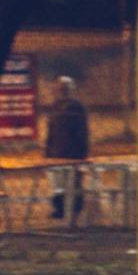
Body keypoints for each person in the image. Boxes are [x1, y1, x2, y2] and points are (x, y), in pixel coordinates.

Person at [44, 75, 90, 219]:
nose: (62, 91)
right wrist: (48, 150)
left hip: (71, 152)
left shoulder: (75, 107)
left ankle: (73, 208)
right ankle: (62, 208)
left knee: (72, 181)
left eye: (64, 88)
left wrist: (83, 152)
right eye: (61, 88)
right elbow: (51, 131)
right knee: (59, 182)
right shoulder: (55, 106)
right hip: (58, 152)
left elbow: (82, 131)